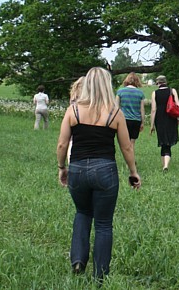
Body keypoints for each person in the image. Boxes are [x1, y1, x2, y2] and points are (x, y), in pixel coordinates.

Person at [56, 67, 140, 282]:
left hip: (77, 169)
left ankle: (78, 261)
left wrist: (61, 168)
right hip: (105, 171)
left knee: (82, 213)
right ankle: (100, 275)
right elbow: (126, 148)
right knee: (103, 223)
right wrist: (133, 172)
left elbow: (62, 144)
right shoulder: (114, 113)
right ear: (107, 85)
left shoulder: (73, 111)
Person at [150, 75, 179, 172]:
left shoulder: (155, 93)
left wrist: (151, 125)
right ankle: (165, 165)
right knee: (168, 143)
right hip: (171, 118)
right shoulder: (172, 91)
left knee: (163, 141)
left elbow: (153, 109)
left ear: (157, 83)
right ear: (166, 82)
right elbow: (178, 105)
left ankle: (165, 165)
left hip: (160, 119)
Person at [115, 72, 145, 153]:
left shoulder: (120, 92)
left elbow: (116, 108)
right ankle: (131, 160)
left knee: (125, 143)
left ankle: (128, 161)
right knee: (132, 143)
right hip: (136, 120)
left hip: (123, 120)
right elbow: (142, 109)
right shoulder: (140, 93)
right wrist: (142, 122)